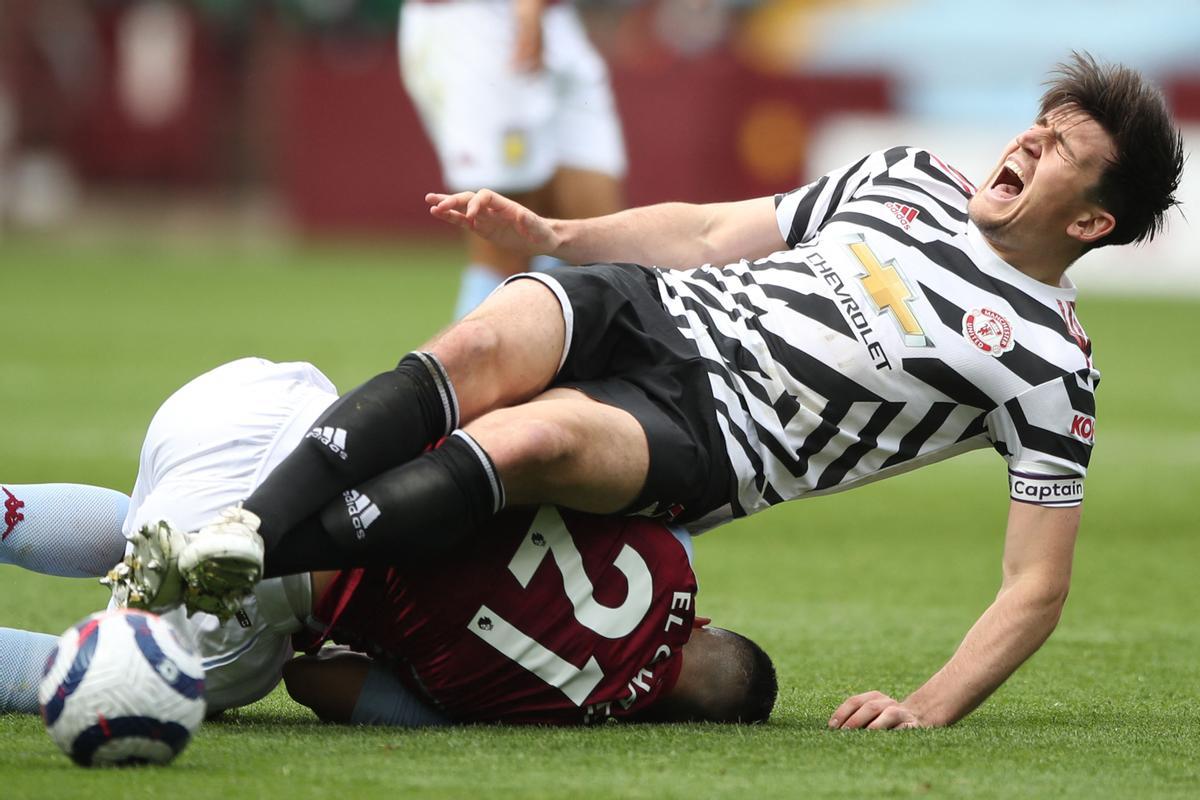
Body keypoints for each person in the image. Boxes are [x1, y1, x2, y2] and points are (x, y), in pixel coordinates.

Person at [117, 53, 1183, 730]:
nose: (1026, 144)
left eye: (1058, 152)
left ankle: (245, 558)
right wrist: (557, 236)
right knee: (488, 338)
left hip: (714, 435)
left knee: (533, 440)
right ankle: (239, 537)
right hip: (657, 307)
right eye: (1036, 127)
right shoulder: (904, 174)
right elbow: (718, 232)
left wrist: (930, 705)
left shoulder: (1051, 365)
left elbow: (1035, 585)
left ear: (1090, 221)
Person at [3, 358, 776, 725]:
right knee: (141, 682)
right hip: (262, 583)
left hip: (267, 409)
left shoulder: (668, 551)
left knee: (167, 531)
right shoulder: (562, 702)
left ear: (704, 625)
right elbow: (318, 685)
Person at [399, 0, 627, 318]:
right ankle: (469, 365)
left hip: (556, 18)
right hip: (477, 21)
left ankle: (570, 356)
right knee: (505, 240)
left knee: (597, 238)